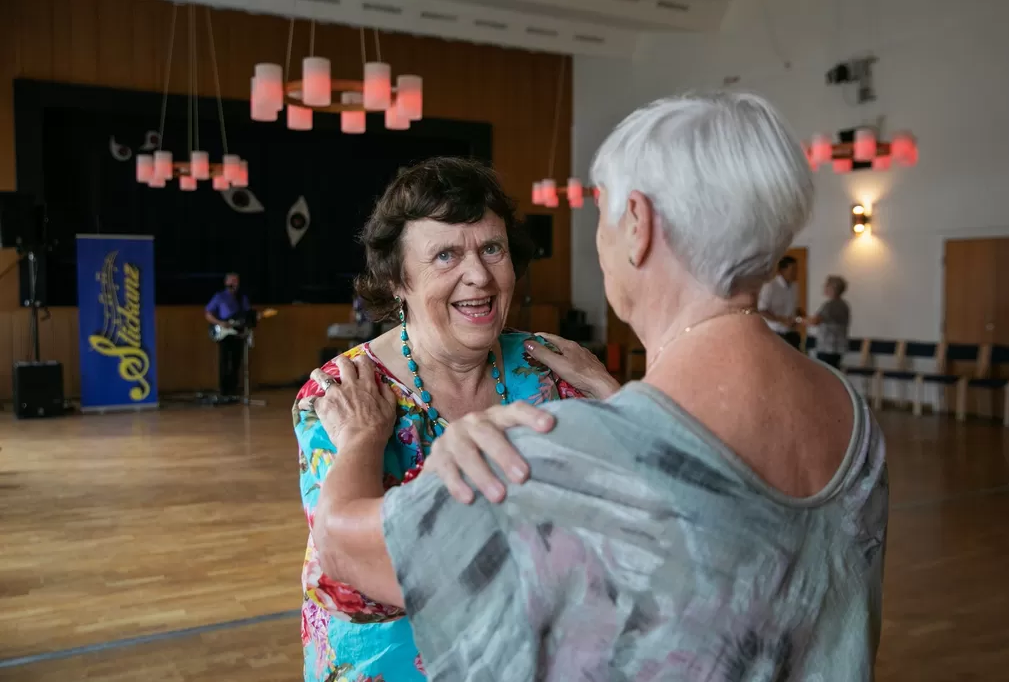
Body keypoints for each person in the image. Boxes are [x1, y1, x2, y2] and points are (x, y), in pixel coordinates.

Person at [306, 92, 889, 681]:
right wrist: (618, 398)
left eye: (603, 213)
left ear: (637, 225)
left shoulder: (574, 442)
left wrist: (362, 441)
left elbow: (347, 548)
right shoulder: (848, 410)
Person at [291, 157, 620, 682]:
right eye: (446, 255)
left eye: (493, 248)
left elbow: (638, 514)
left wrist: (611, 394)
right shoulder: (345, 395)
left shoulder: (550, 369)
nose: (479, 276)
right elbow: (356, 584)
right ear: (397, 279)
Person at [205, 272, 249, 396]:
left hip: (237, 332)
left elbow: (246, 314)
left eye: (236, 281)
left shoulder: (242, 298)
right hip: (224, 332)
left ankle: (234, 388)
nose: (233, 284)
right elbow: (208, 313)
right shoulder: (219, 297)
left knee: (236, 361)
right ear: (226, 283)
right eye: (231, 281)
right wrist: (220, 323)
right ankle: (224, 390)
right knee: (225, 361)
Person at [805, 275, 851, 369]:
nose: (824, 287)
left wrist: (798, 320)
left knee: (825, 374)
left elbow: (815, 321)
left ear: (833, 288)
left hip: (827, 348)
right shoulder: (844, 305)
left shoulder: (830, 306)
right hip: (839, 347)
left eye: (826, 285)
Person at [758, 255, 801, 348]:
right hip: (775, 332)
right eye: (793, 269)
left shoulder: (795, 286)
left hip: (791, 333)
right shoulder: (770, 286)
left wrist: (802, 318)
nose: (795, 273)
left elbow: (795, 308)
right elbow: (762, 310)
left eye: (796, 269)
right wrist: (781, 320)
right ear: (782, 271)